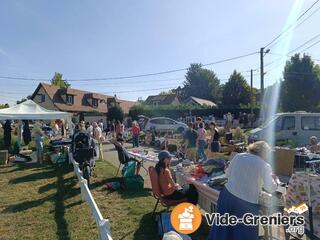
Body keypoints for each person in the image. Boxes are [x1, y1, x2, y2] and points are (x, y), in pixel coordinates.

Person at [208, 141, 278, 240]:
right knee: (244, 233)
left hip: (228, 196)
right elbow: (270, 188)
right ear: (264, 153)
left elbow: (227, 174)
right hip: (246, 202)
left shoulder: (239, 156)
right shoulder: (264, 165)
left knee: (223, 228)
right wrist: (276, 181)